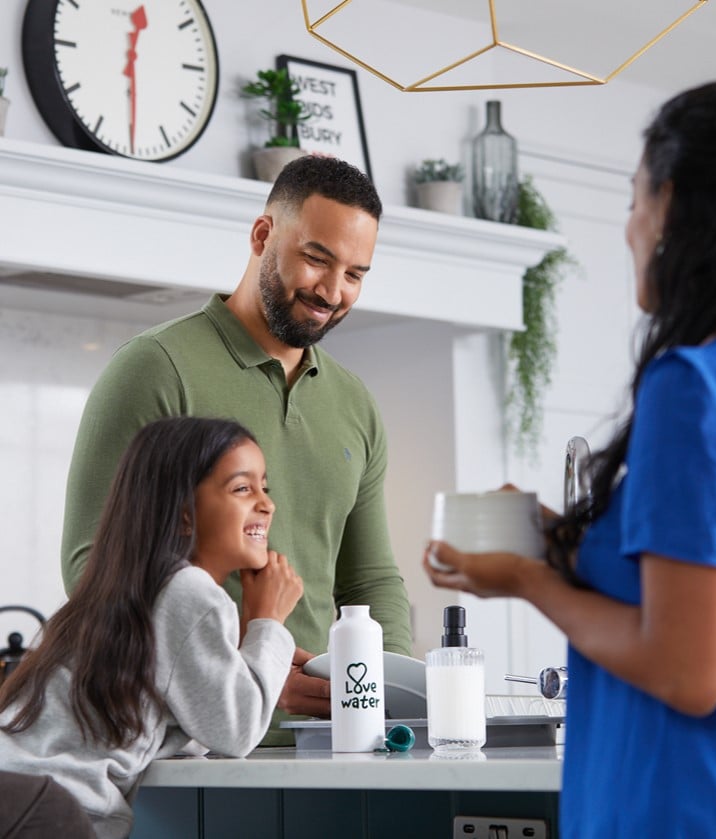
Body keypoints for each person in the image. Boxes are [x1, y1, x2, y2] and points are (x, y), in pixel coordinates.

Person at [424, 80, 716, 837]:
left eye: (635, 198)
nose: (629, 226)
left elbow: (688, 670)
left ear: (676, 209)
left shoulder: (697, 388)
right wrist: (556, 538)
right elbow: (711, 593)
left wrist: (528, 578)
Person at [60, 155, 413, 741]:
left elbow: (370, 580)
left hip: (334, 742)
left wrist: (391, 694)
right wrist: (251, 670)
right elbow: (91, 565)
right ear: (262, 235)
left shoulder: (356, 405)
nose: (333, 290)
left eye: (355, 274)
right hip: (191, 746)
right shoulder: (155, 367)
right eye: (317, 259)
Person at [0, 416, 304, 838]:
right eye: (242, 488)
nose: (267, 504)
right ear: (183, 515)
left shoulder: (125, 589)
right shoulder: (187, 590)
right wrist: (269, 620)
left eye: (264, 488)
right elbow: (237, 732)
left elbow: (198, 724)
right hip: (47, 811)